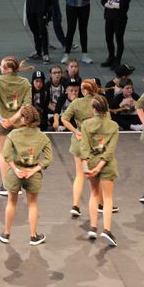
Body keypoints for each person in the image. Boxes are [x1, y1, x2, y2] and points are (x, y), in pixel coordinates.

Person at [0, 104, 53, 245]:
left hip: (15, 173)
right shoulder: (43, 137)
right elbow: (48, 158)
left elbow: (6, 155)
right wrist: (34, 170)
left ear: (23, 119)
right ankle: (33, 236)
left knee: (11, 202)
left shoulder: (13, 135)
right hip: (33, 174)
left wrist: (16, 169)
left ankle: (6, 234)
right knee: (32, 204)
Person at [80, 95, 120, 246]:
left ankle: (93, 227)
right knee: (108, 198)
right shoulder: (113, 126)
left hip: (91, 162)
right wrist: (100, 167)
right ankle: (107, 230)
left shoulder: (86, 124)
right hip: (106, 164)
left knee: (94, 193)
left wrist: (86, 167)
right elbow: (110, 151)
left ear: (93, 109)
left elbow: (84, 147)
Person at [0, 56, 32, 196]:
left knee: (3, 154)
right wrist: (13, 119)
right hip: (19, 123)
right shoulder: (25, 83)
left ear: (7, 69)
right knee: (17, 153)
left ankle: (7, 186)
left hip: (1, 123)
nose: (0, 67)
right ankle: (18, 184)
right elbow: (26, 105)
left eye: (2, 66)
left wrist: (3, 120)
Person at [62, 79, 101, 218]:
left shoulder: (76, 103)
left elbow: (64, 119)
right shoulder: (99, 102)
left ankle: (76, 205)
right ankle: (101, 204)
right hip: (95, 143)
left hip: (79, 142)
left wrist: (75, 131)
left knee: (79, 175)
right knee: (96, 176)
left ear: (83, 90)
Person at [100, 0, 131, 68]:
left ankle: (117, 61)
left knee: (119, 39)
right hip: (109, 18)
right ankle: (111, 57)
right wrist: (114, 4)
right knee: (108, 38)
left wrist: (110, 4)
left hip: (120, 19)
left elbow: (123, 5)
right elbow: (103, 1)